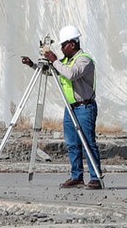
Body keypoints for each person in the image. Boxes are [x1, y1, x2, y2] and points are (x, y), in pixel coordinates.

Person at [22, 24, 102, 189]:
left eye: (63, 45)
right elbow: (51, 72)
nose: (61, 48)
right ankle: (76, 176)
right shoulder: (65, 62)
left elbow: (71, 74)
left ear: (72, 44)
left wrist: (54, 60)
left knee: (88, 143)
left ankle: (95, 178)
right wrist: (33, 65)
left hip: (84, 107)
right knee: (72, 144)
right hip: (70, 108)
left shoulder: (84, 60)